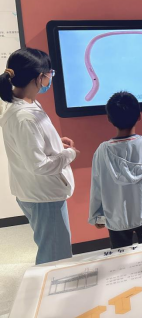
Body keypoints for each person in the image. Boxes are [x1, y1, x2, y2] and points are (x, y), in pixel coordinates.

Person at [0, 48, 78, 265]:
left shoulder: (26, 102)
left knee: (52, 248)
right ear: (39, 77)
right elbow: (39, 166)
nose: (51, 77)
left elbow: (31, 143)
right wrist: (69, 154)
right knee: (55, 256)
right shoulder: (24, 117)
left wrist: (54, 142)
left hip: (37, 192)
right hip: (43, 195)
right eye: (50, 73)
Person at [89, 91, 142, 249]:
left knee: (120, 256)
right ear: (139, 116)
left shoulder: (102, 151)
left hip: (116, 216)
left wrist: (97, 215)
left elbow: (97, 184)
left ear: (109, 119)